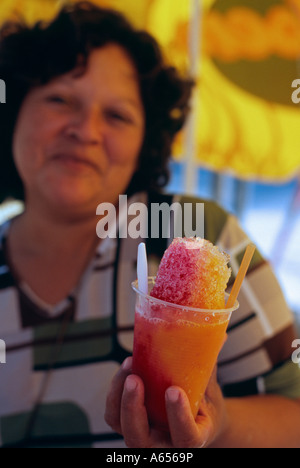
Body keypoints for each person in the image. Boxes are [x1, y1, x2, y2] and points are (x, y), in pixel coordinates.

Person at [0, 1, 300, 448]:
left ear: (146, 140)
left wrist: (222, 424)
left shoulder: (193, 232)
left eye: (117, 115)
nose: (85, 130)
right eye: (60, 99)